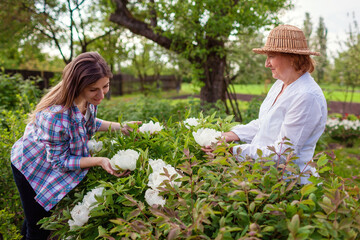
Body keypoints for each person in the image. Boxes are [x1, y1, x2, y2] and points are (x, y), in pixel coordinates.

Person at [11, 52, 141, 239]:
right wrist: (99, 160)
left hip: (50, 159)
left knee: (36, 214)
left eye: (105, 86)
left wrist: (121, 127)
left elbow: (89, 122)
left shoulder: (88, 101)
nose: (101, 95)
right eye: (93, 89)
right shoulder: (55, 115)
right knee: (39, 226)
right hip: (30, 165)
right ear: (78, 87)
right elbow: (59, 162)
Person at [203, 25, 327, 184]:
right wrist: (232, 135)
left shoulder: (306, 97)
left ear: (292, 57)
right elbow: (266, 124)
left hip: (291, 186)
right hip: (266, 178)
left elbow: (283, 155)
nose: (266, 64)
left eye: (271, 56)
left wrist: (230, 151)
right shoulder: (280, 84)